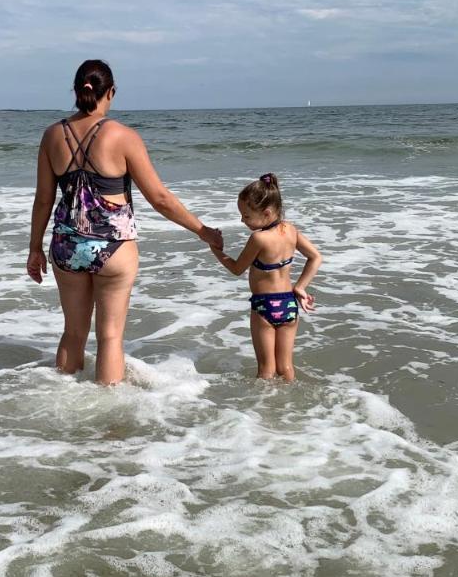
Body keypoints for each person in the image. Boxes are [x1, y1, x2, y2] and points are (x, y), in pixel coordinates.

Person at [26, 60, 223, 385]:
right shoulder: (123, 136)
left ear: (76, 91)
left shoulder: (52, 136)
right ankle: (109, 420)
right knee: (109, 338)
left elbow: (44, 199)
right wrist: (202, 230)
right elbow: (159, 198)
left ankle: (60, 400)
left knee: (73, 334)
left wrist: (34, 248)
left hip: (67, 246)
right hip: (113, 248)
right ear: (111, 92)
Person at [209, 173, 322, 381]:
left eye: (246, 215)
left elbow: (236, 269)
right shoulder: (291, 230)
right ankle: (291, 407)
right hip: (289, 304)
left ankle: (264, 409)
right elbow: (315, 257)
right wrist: (300, 287)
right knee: (286, 367)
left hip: (264, 306)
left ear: (267, 212)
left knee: (266, 370)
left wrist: (216, 249)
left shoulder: (258, 238)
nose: (242, 220)